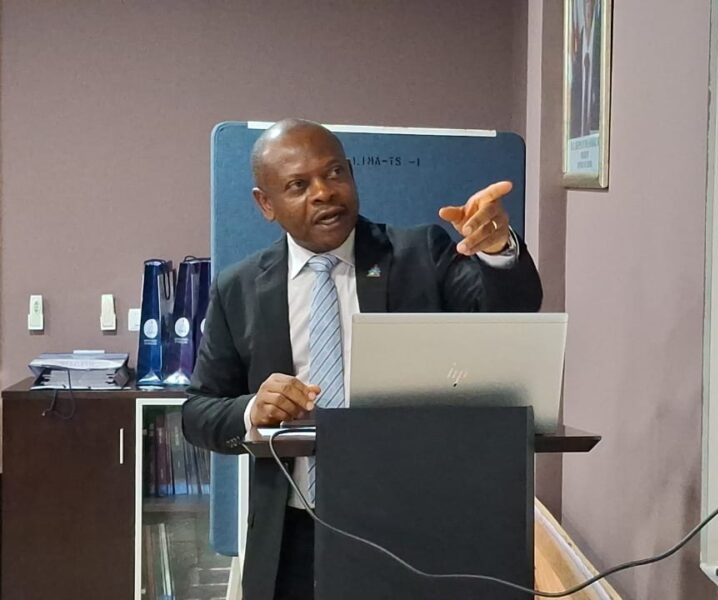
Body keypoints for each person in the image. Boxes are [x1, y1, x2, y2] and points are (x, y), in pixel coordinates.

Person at [181, 118, 543, 600]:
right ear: (265, 204)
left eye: (334, 173)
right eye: (298, 185)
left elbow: (508, 316)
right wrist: (252, 410)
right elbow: (198, 412)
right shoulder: (240, 288)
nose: (324, 193)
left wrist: (497, 250)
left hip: (417, 528)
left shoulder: (420, 253)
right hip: (294, 536)